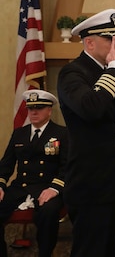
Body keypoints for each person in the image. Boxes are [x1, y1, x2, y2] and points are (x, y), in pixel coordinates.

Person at [57, 8, 115, 257]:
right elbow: (91, 108)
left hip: (111, 184)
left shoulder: (103, 71)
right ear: (89, 42)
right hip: (91, 185)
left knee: (107, 250)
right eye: (111, 38)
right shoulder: (73, 73)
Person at [0, 90, 68, 257]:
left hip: (47, 187)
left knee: (48, 212)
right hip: (20, 187)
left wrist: (55, 188)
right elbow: (6, 164)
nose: (34, 112)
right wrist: (0, 184)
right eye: (31, 109)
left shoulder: (61, 133)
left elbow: (68, 166)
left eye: (39, 108)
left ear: (49, 110)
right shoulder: (19, 133)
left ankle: (45, 253)